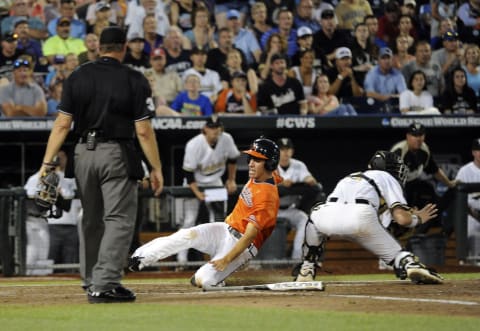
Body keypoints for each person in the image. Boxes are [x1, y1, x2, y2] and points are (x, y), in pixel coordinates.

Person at [39, 27, 164, 303]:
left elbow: (62, 124)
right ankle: (104, 283)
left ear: (99, 47)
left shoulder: (78, 75)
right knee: (118, 219)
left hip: (82, 153)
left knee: (91, 219)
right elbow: (143, 131)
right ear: (123, 47)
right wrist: (156, 167)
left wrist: (46, 163)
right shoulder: (134, 78)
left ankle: (91, 279)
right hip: (115, 152)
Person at [128, 137, 281, 289]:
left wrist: (227, 259)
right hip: (224, 230)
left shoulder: (267, 197)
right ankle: (141, 257)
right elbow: (277, 175)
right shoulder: (264, 176)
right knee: (186, 235)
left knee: (203, 281)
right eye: (251, 158)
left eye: (257, 160)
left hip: (241, 246)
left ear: (269, 164)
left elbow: (249, 236)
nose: (251, 163)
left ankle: (217, 279)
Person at [293, 150, 444, 285]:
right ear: (389, 168)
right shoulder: (386, 177)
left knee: (316, 214)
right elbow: (402, 219)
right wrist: (418, 218)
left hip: (327, 216)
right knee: (398, 256)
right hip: (361, 218)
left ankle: (307, 268)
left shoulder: (350, 177)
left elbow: (344, 209)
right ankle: (408, 263)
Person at [176, 116, 241, 267]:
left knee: (218, 221)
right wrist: (198, 193)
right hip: (193, 184)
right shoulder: (194, 144)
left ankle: (217, 259)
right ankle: (181, 260)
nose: (214, 130)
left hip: (214, 183)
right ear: (205, 129)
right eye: (211, 127)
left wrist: (231, 179)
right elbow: (188, 173)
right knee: (189, 220)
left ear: (221, 128)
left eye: (217, 127)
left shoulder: (227, 139)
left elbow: (232, 159)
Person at [390, 123, 457, 232]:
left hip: (413, 182)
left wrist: (449, 183)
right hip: (397, 185)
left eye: (420, 135)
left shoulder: (424, 150)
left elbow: (434, 170)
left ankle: (423, 231)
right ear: (407, 136)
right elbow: (390, 179)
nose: (418, 139)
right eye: (414, 135)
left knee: (431, 193)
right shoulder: (399, 151)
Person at [276, 137, 321, 259]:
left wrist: (309, 180)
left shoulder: (299, 165)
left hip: (290, 209)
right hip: (271, 210)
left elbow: (311, 181)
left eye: (288, 149)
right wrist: (281, 183)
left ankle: (296, 258)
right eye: (282, 149)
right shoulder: (269, 165)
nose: (285, 153)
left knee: (304, 219)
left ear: (292, 151)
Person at [47, 150, 82, 272]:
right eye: (57, 158)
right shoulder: (46, 176)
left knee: (70, 260)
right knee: (49, 258)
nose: (59, 160)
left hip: (72, 224)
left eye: (62, 157)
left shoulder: (74, 178)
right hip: (52, 224)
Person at [455, 138, 480, 260]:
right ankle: (470, 266)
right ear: (473, 153)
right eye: (478, 150)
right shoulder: (464, 171)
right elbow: (460, 198)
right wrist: (473, 212)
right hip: (470, 214)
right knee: (472, 235)